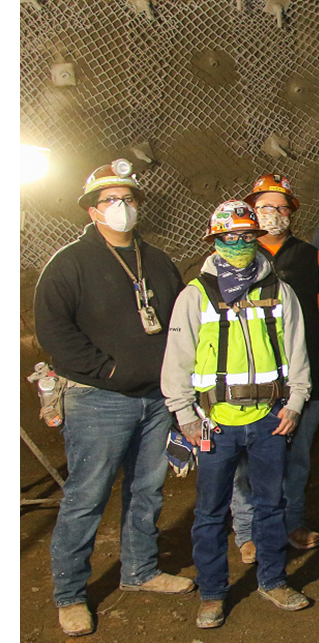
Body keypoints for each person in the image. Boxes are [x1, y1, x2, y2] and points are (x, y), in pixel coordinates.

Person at [35, 159, 195, 637]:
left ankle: (140, 570)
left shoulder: (158, 260)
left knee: (146, 490)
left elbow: (179, 321)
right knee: (86, 496)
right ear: (92, 211)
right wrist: (104, 368)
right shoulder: (69, 264)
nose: (120, 207)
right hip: (99, 398)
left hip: (155, 399)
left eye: (127, 199)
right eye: (109, 201)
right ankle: (69, 594)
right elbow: (53, 329)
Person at [162, 200, 312, 628]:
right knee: (210, 511)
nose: (241, 244)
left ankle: (272, 579)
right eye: (231, 237)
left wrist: (296, 403)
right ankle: (212, 592)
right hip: (214, 422)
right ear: (216, 241)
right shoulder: (196, 295)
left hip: (269, 418)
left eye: (248, 236)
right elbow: (176, 359)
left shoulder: (278, 291)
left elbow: (297, 351)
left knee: (270, 504)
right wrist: (184, 414)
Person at [229, 174, 319, 564]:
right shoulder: (235, 255)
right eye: (264, 207)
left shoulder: (310, 256)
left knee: (298, 458)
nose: (272, 213)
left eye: (280, 207)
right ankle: (248, 531)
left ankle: (290, 524)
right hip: (250, 380)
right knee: (246, 460)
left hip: (301, 378)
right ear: (252, 211)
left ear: (291, 213)